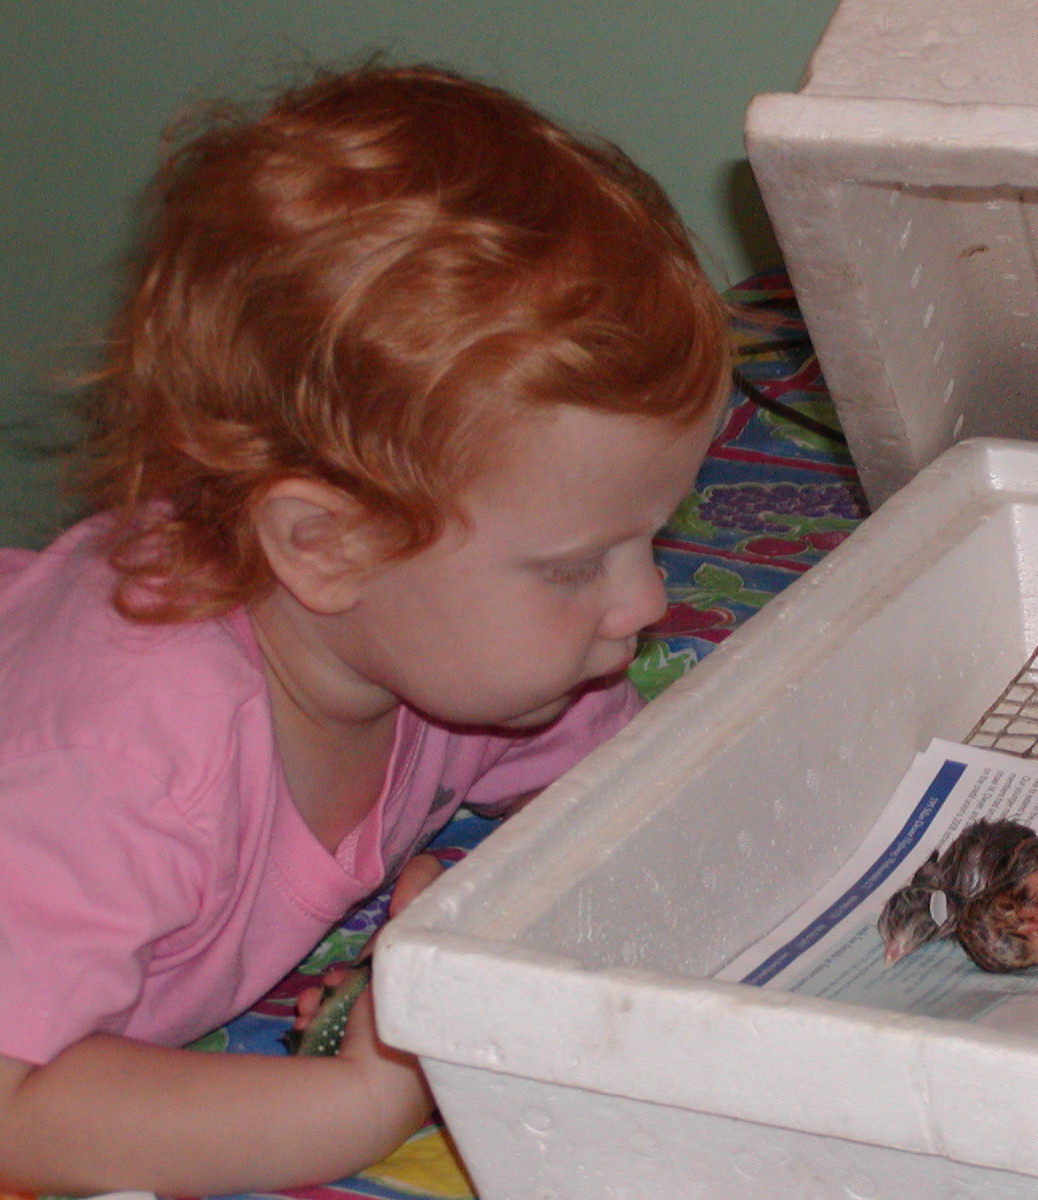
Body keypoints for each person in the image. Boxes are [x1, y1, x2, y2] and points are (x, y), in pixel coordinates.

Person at [0, 62, 729, 1194]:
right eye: (575, 565)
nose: (644, 605)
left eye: (653, 537)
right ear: (325, 547)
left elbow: (632, 803)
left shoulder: (477, 654)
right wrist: (365, 1096)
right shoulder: (124, 765)